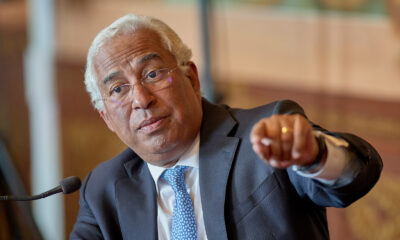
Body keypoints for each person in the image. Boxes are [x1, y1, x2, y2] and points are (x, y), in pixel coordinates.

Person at [70, 13, 382, 240]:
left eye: (152, 74)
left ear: (191, 78)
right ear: (107, 118)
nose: (141, 99)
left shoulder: (266, 135)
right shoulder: (103, 190)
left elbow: (357, 176)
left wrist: (316, 154)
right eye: (118, 89)